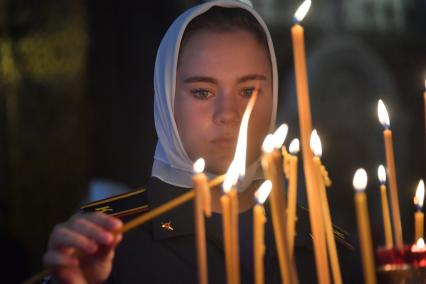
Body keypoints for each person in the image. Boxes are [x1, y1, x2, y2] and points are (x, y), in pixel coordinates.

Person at [43, 1, 355, 283]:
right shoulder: (108, 239)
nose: (228, 114)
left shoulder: (327, 244)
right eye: (202, 92)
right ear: (165, 102)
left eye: (249, 91)